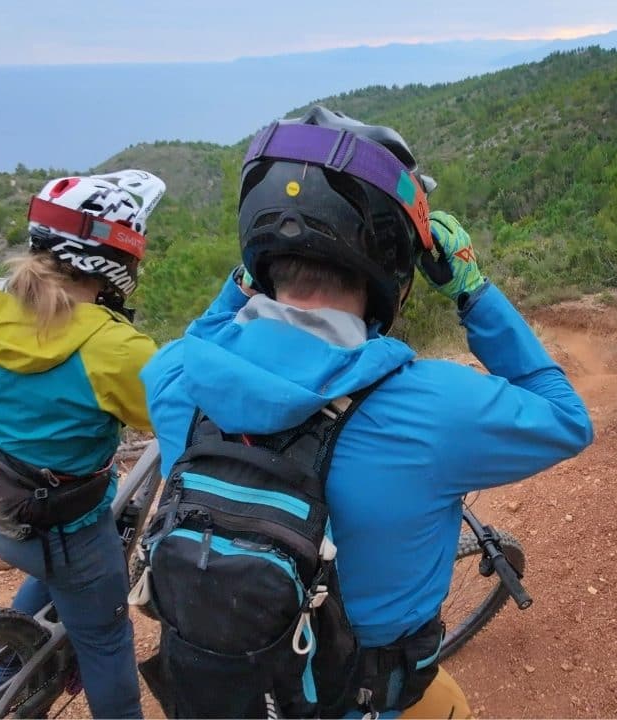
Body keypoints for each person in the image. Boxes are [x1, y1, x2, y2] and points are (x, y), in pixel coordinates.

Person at [141, 107, 592, 717]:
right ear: (394, 262)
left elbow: (208, 331)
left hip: (226, 690)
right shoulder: (433, 408)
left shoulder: (175, 377)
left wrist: (243, 280)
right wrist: (472, 290)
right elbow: (566, 417)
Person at [0, 170, 166, 719]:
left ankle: (3, 674)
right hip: (67, 532)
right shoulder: (113, 346)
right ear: (120, 258)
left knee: (55, 576)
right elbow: (158, 414)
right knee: (106, 641)